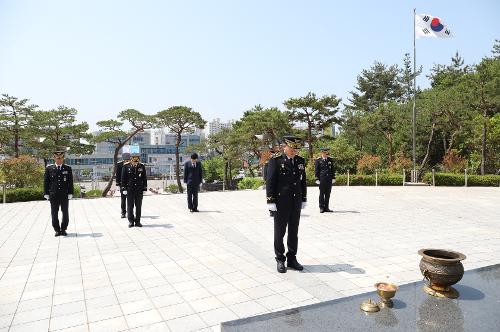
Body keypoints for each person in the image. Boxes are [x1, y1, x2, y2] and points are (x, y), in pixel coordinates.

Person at [266, 135, 307, 273]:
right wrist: (270, 201)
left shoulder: (300, 161)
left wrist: (303, 198)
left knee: (293, 232)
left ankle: (292, 258)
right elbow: (270, 182)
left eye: (296, 149)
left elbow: (303, 181)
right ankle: (280, 259)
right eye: (292, 148)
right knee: (280, 232)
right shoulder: (276, 161)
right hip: (281, 202)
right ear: (285, 146)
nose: (295, 151)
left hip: (295, 201)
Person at [44, 150, 74, 237]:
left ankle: (63, 229)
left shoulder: (68, 168)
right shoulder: (49, 168)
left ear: (63, 158)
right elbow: (46, 182)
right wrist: (46, 193)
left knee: (65, 212)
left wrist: (70, 192)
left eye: (60, 158)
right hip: (53, 194)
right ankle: (57, 230)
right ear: (54, 158)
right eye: (57, 158)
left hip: (64, 194)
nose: (59, 160)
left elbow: (70, 181)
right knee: (54, 212)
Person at [121, 152, 147, 227]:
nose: (135, 162)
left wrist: (144, 188)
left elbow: (144, 178)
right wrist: (123, 188)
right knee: (130, 206)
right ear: (131, 159)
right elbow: (123, 178)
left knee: (138, 206)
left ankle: (138, 221)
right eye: (134, 159)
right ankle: (131, 221)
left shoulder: (141, 166)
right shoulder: (126, 166)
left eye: (137, 159)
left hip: (139, 189)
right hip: (130, 189)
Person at [314, 147, 336, 213]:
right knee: (321, 194)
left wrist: (333, 177)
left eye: (327, 153)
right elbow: (316, 170)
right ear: (322, 153)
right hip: (322, 179)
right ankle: (321, 207)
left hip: (329, 179)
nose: (327, 154)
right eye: (325, 153)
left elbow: (332, 169)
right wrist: (317, 178)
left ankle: (326, 207)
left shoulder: (330, 160)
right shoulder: (318, 160)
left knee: (328, 194)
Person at [116, 152, 131, 218]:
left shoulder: (132, 163)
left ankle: (130, 212)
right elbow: (118, 175)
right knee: (123, 199)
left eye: (128, 158)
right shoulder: (119, 164)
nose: (127, 160)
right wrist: (118, 184)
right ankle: (123, 212)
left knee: (130, 199)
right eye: (126, 159)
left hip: (131, 184)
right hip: (123, 184)